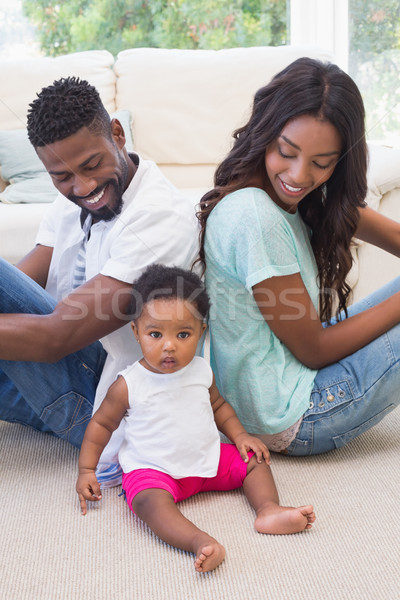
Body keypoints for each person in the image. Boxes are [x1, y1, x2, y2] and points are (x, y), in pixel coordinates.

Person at [0, 77, 199, 486]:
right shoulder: (67, 201)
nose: (83, 187)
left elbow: (55, 338)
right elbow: (19, 285)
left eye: (92, 165)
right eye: (62, 176)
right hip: (67, 370)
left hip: (109, 406)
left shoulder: (159, 218)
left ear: (117, 134)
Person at [197, 57, 400, 456]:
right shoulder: (256, 215)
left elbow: (393, 234)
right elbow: (314, 350)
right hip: (295, 416)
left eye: (321, 163)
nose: (298, 175)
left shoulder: (298, 196)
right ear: (265, 135)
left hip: (290, 384)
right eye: (286, 152)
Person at [76, 264, 316, 574]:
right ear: (136, 332)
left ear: (201, 332)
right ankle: (199, 541)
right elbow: (101, 425)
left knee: (255, 459)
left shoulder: (201, 369)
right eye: (155, 334)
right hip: (156, 471)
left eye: (183, 334)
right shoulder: (128, 384)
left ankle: (268, 511)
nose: (169, 345)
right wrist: (86, 469)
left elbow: (219, 406)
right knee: (147, 502)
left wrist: (241, 436)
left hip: (209, 460)